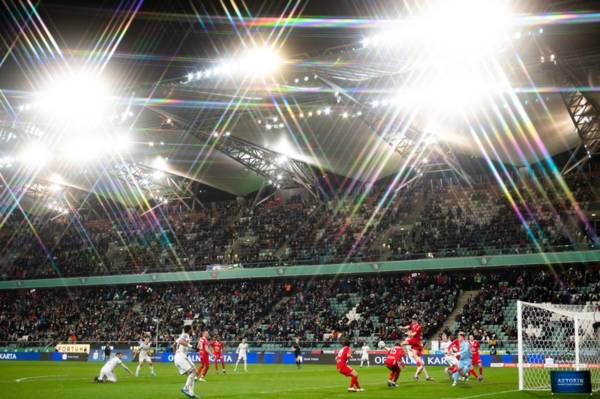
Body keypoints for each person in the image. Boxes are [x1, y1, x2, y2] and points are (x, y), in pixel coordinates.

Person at [401, 315, 432, 381]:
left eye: (414, 320)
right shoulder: (409, 339)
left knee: (422, 365)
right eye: (412, 319)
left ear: (416, 320)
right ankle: (417, 375)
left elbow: (413, 334)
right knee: (421, 365)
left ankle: (425, 376)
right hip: (412, 355)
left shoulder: (414, 334)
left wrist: (406, 332)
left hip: (414, 352)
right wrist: (403, 328)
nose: (413, 321)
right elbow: (408, 327)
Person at [174, 325, 197, 398]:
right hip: (181, 356)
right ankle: (185, 388)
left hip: (180, 356)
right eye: (192, 329)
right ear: (189, 330)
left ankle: (191, 393)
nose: (192, 330)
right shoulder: (185, 335)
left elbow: (174, 345)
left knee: (192, 374)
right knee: (193, 372)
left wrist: (175, 354)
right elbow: (181, 341)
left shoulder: (183, 336)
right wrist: (191, 346)